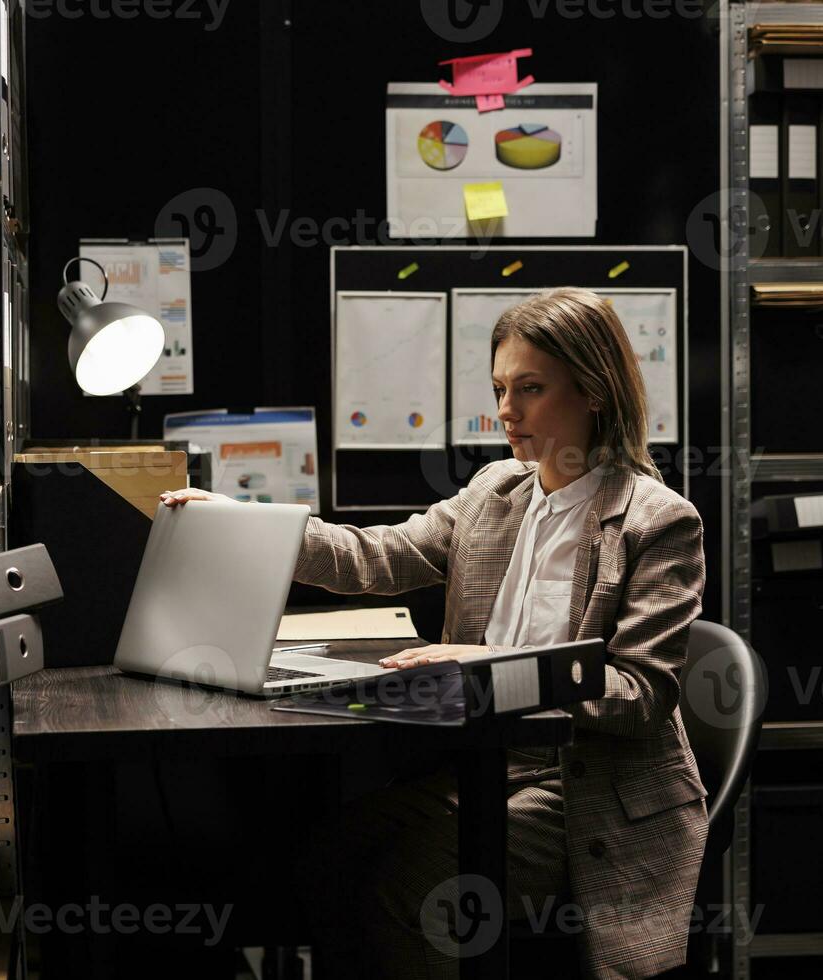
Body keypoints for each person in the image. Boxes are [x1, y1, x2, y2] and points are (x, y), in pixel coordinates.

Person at [159, 287, 707, 979]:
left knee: (412, 888)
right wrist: (244, 522)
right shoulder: (495, 490)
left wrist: (493, 661)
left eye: (530, 389)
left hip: (582, 787)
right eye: (501, 388)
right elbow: (378, 556)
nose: (506, 411)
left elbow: (640, 695)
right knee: (328, 858)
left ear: (593, 390)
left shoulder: (658, 521)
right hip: (484, 762)